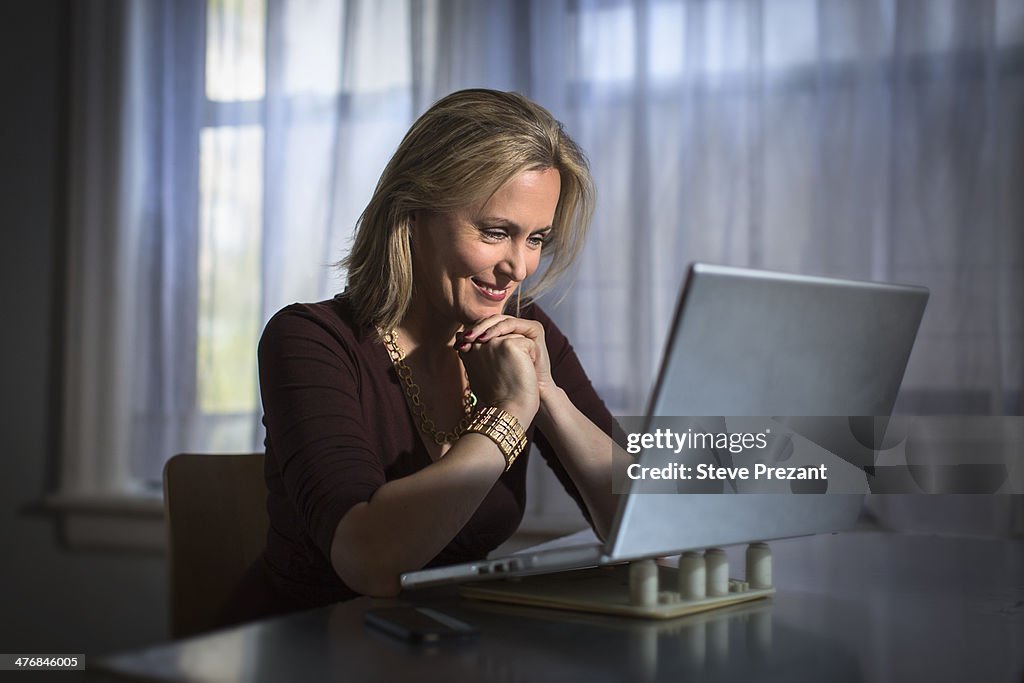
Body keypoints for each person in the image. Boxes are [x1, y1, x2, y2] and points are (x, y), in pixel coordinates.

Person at [221, 89, 619, 625]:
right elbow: (369, 563)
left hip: (446, 648)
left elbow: (642, 523)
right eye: (496, 232)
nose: (519, 268)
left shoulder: (524, 330)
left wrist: (547, 395)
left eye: (536, 239)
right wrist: (508, 417)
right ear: (414, 210)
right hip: (308, 646)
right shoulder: (310, 340)